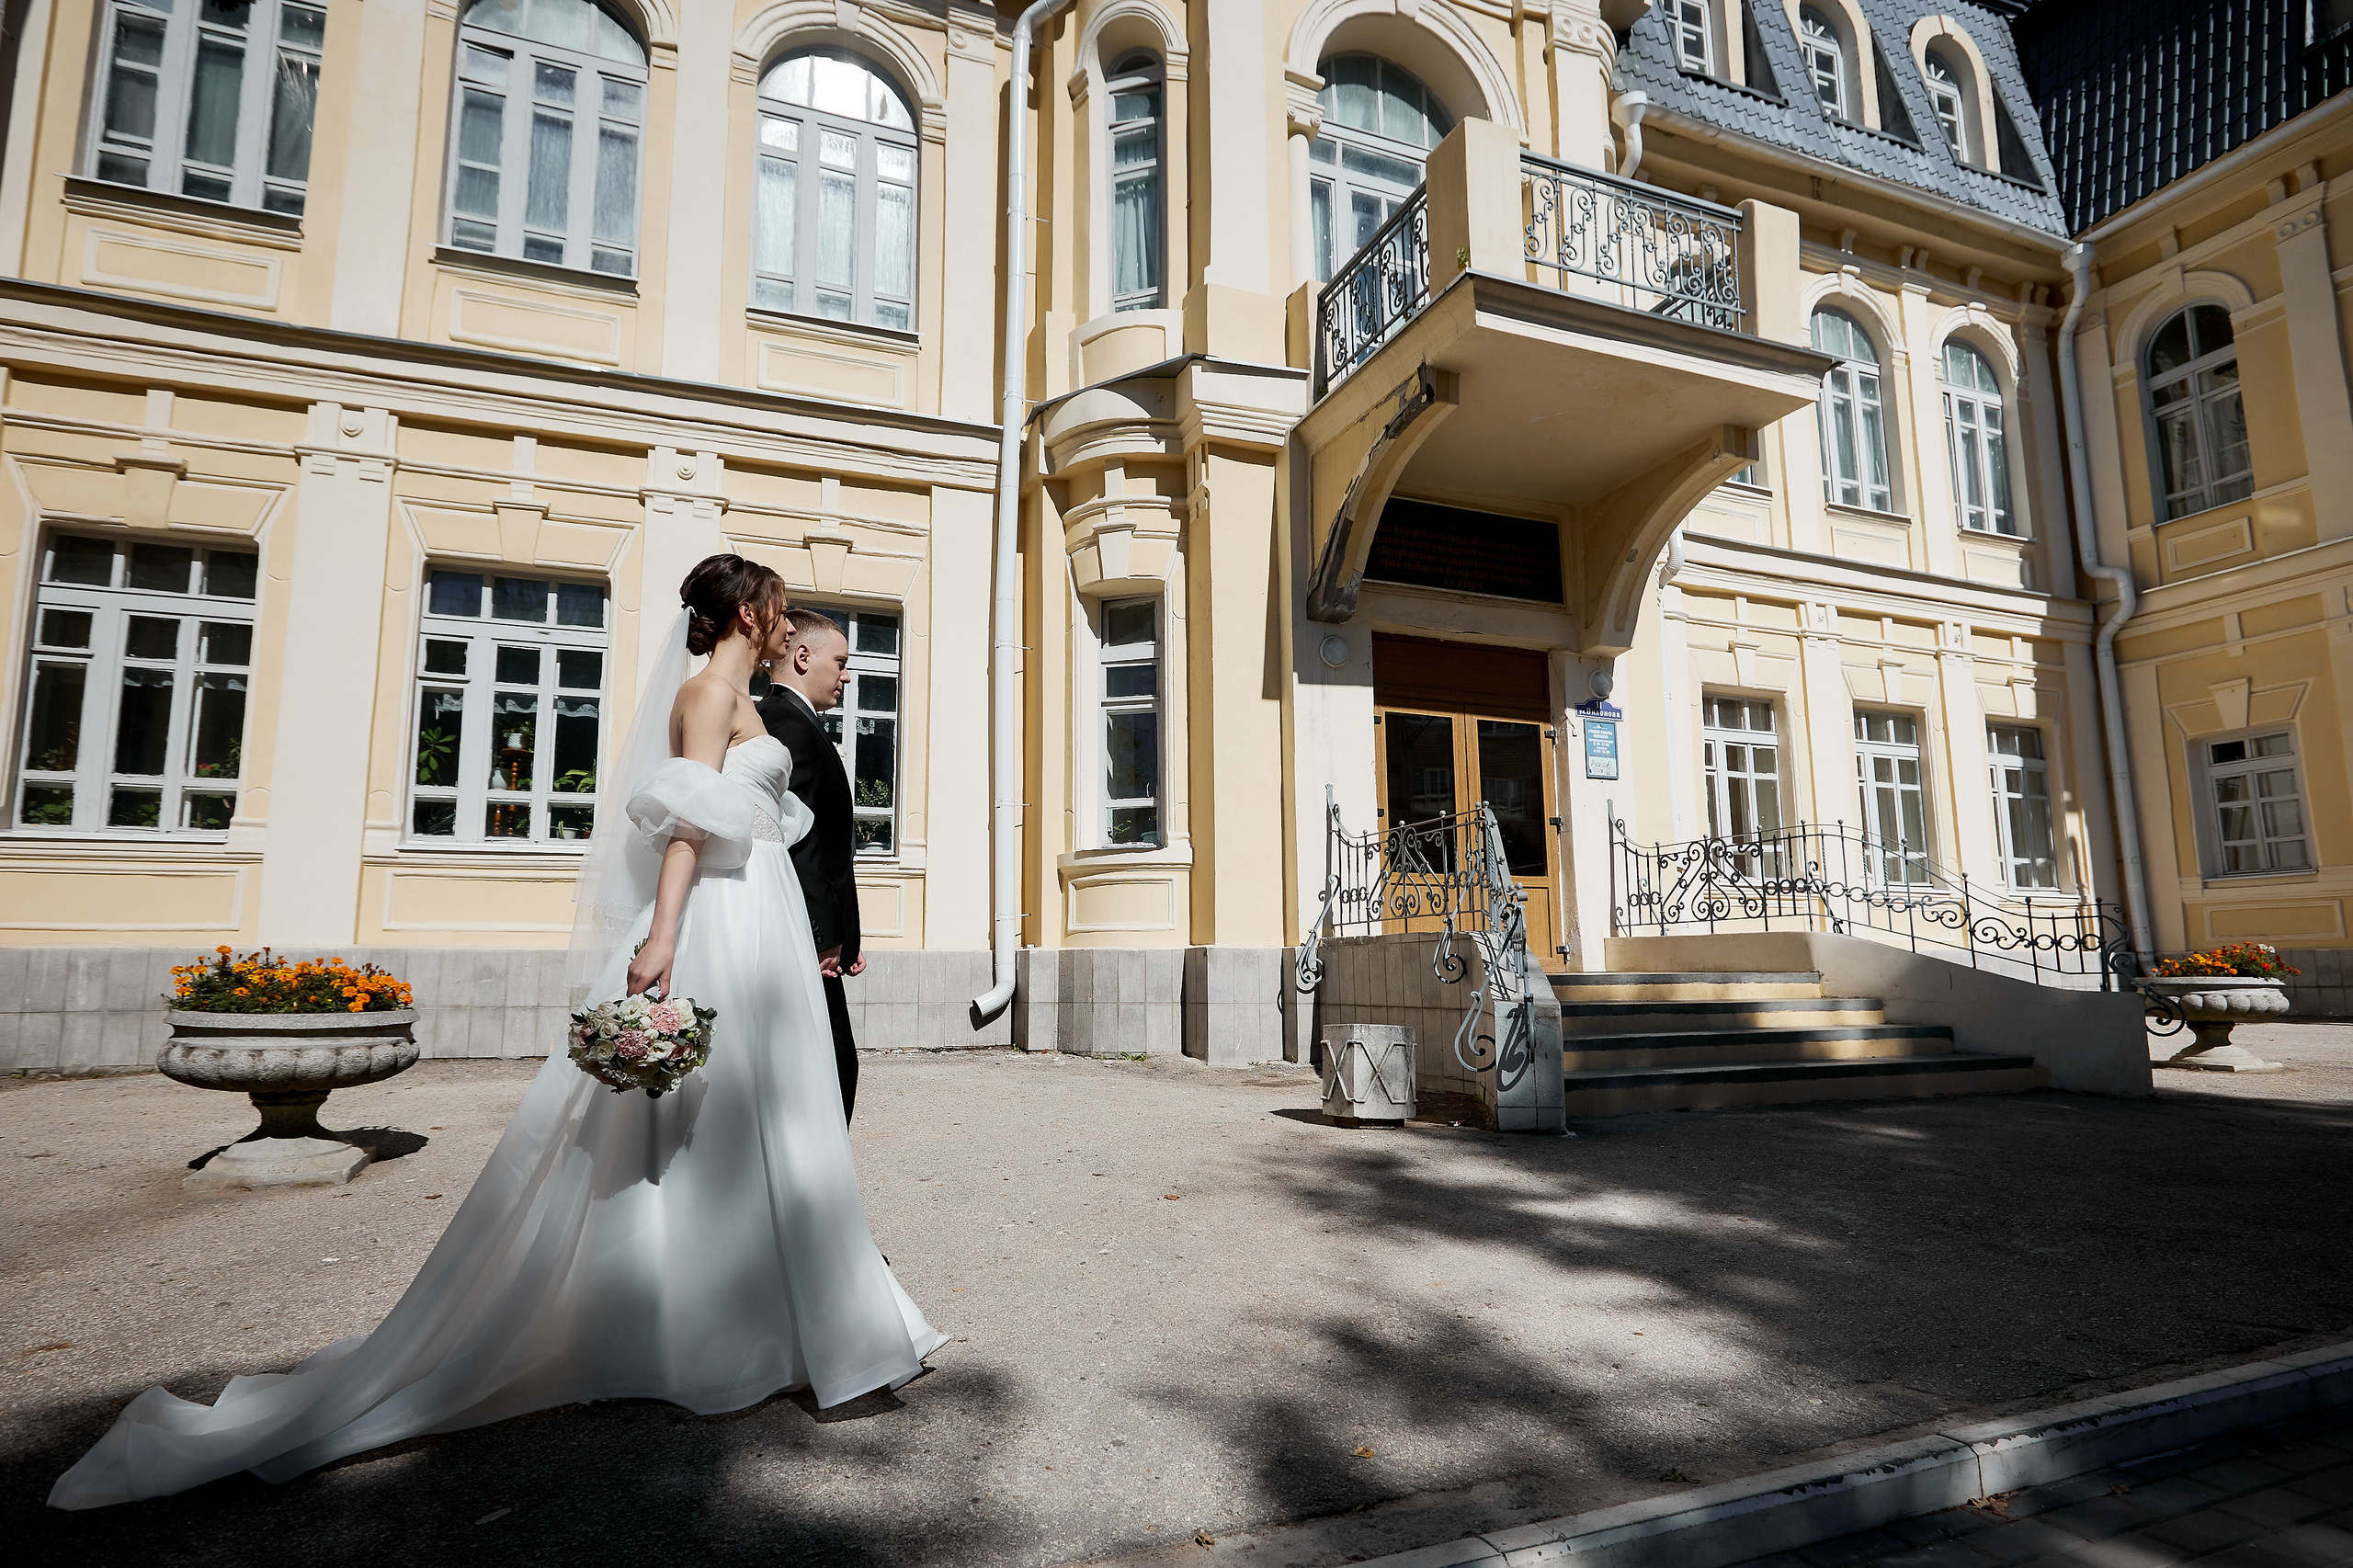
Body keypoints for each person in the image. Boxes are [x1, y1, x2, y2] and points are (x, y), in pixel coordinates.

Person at [50, 555, 944, 1510]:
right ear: (753, 612)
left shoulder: (750, 702)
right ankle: (695, 1325)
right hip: (720, 915)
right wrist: (662, 938)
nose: (785, 623)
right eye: (775, 606)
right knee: (695, 1120)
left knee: (778, 1112)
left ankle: (790, 1317)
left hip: (763, 914)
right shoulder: (700, 694)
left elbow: (759, 811)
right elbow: (684, 830)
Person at [758, 608, 864, 1120]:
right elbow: (796, 843)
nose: (847, 676)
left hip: (815, 933)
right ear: (803, 656)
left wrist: (850, 934)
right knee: (833, 1066)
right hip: (802, 934)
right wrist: (825, 934)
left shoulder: (792, 721)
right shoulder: (787, 727)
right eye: (840, 662)